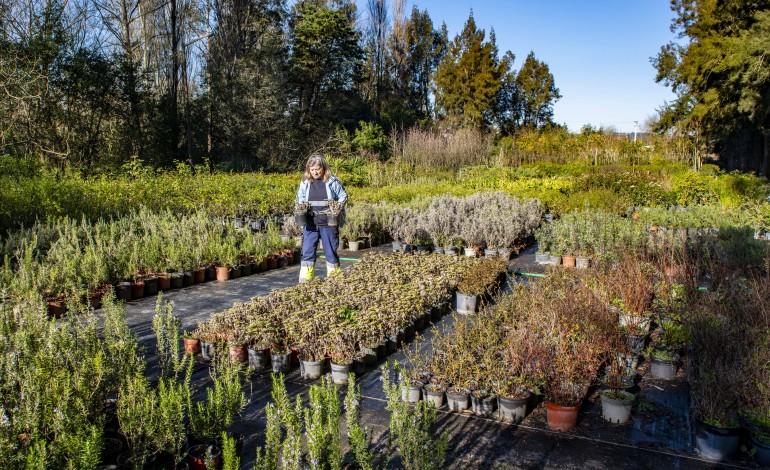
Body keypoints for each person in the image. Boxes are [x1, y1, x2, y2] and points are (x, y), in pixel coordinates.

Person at [296, 154, 347, 282]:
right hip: (310, 223)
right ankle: (305, 282)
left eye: (317, 169)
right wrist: (301, 208)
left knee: (330, 252)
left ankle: (334, 281)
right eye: (312, 170)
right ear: (308, 170)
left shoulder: (332, 181)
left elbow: (343, 196)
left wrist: (336, 209)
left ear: (323, 168)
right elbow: (299, 198)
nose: (315, 172)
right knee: (307, 251)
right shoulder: (305, 182)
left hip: (328, 223)